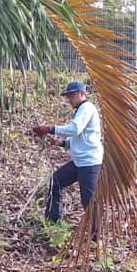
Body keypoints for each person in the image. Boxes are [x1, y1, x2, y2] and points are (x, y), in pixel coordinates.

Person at [31, 80, 103, 227]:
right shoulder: (79, 110)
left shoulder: (87, 108)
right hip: (79, 162)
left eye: (72, 95)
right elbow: (81, 137)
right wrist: (62, 143)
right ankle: (52, 223)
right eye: (68, 96)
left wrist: (50, 129)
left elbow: (75, 129)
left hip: (89, 163)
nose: (69, 99)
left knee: (88, 200)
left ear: (82, 93)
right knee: (55, 182)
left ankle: (95, 235)